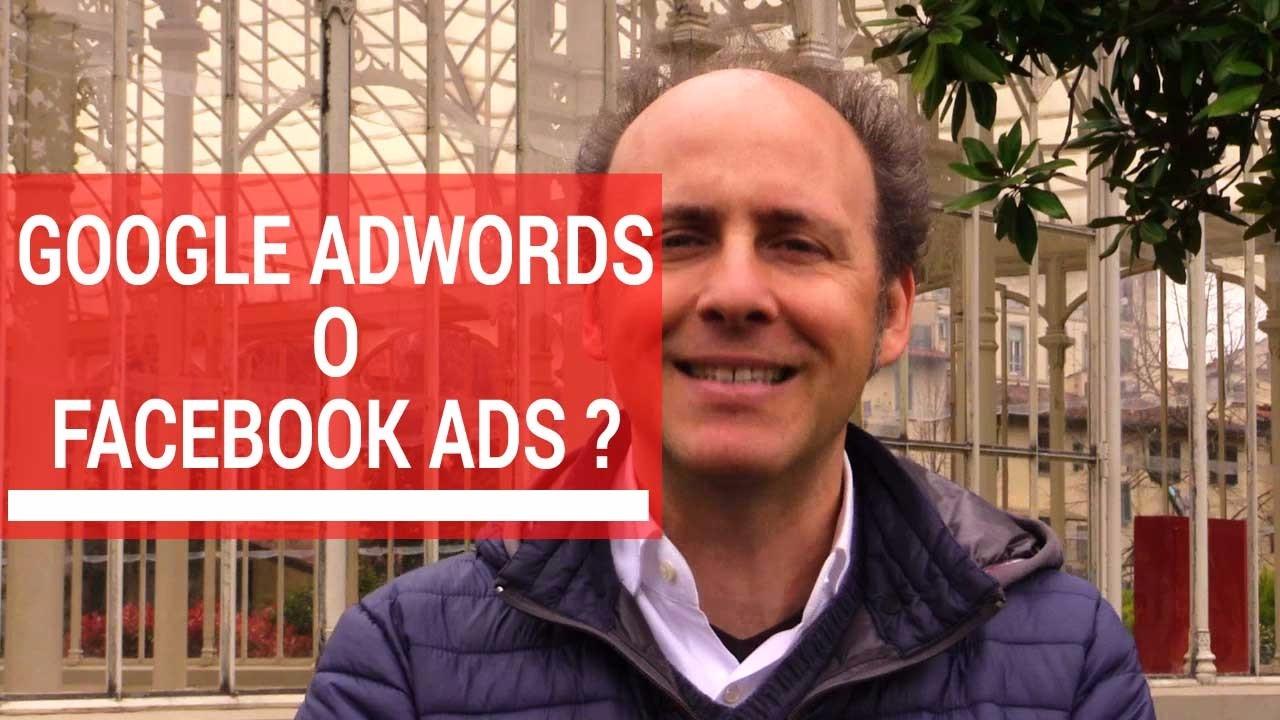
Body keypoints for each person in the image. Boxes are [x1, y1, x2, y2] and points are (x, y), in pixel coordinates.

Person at [296, 51, 1155, 719]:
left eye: (796, 243)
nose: (736, 293)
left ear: (893, 312)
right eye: (675, 241)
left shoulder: (1066, 668)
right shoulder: (404, 670)